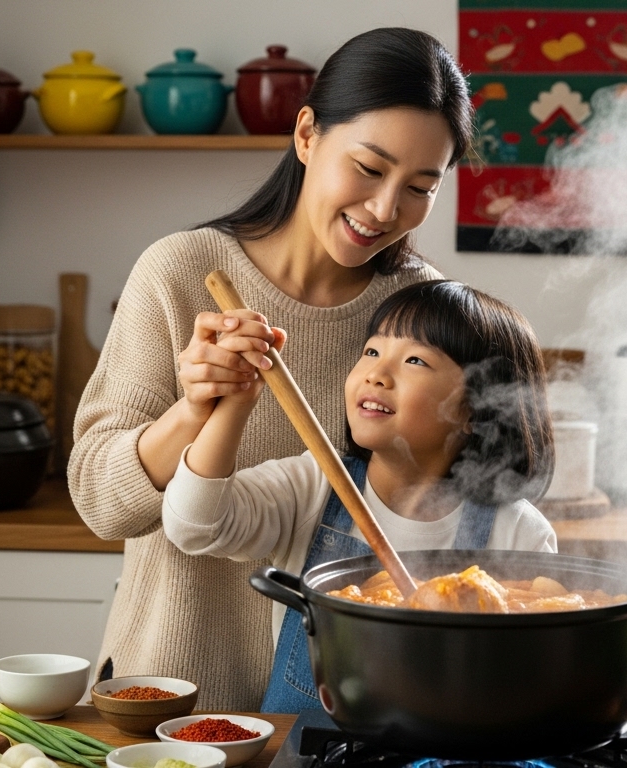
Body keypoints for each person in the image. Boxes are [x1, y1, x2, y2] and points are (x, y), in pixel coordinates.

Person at [67, 28, 474, 710]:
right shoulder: (180, 273)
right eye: (370, 169)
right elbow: (100, 505)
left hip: (355, 704)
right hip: (175, 694)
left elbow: (447, 502)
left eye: (420, 187)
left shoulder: (417, 310)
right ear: (309, 134)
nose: (384, 210)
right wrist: (193, 408)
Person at [162, 280, 557, 713]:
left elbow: (532, 678)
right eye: (371, 351)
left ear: (475, 411)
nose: (376, 373)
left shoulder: (518, 531)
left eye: (414, 360)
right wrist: (235, 400)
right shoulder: (311, 487)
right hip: (309, 746)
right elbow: (193, 526)